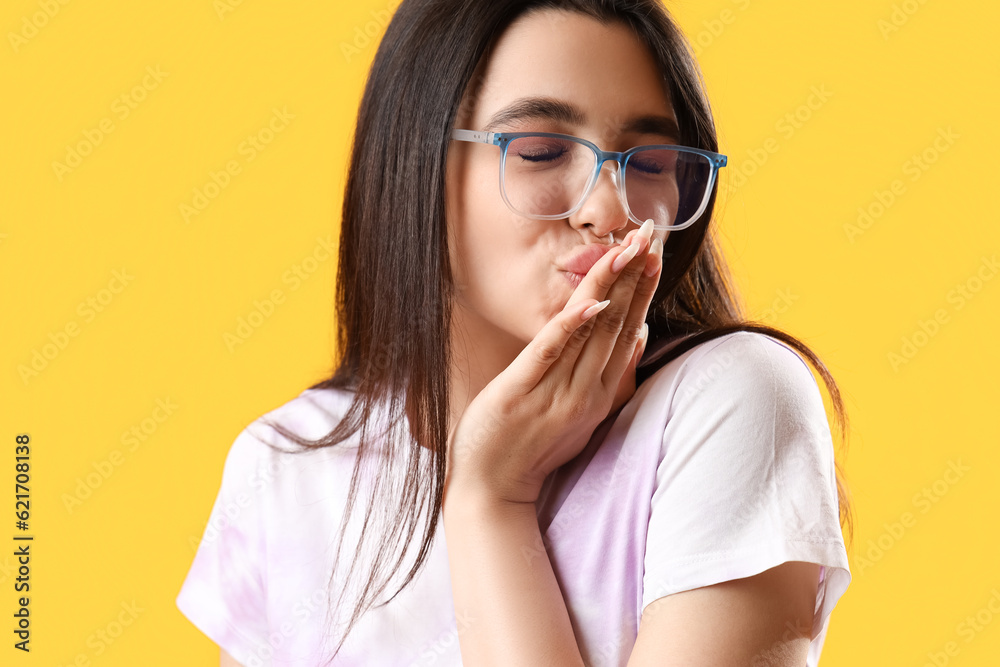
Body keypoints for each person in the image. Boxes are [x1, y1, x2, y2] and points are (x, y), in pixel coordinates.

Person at [176, 1, 854, 665]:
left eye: (648, 164)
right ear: (414, 166)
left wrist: (491, 500)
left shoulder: (731, 403)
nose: (608, 209)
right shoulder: (287, 467)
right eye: (539, 151)